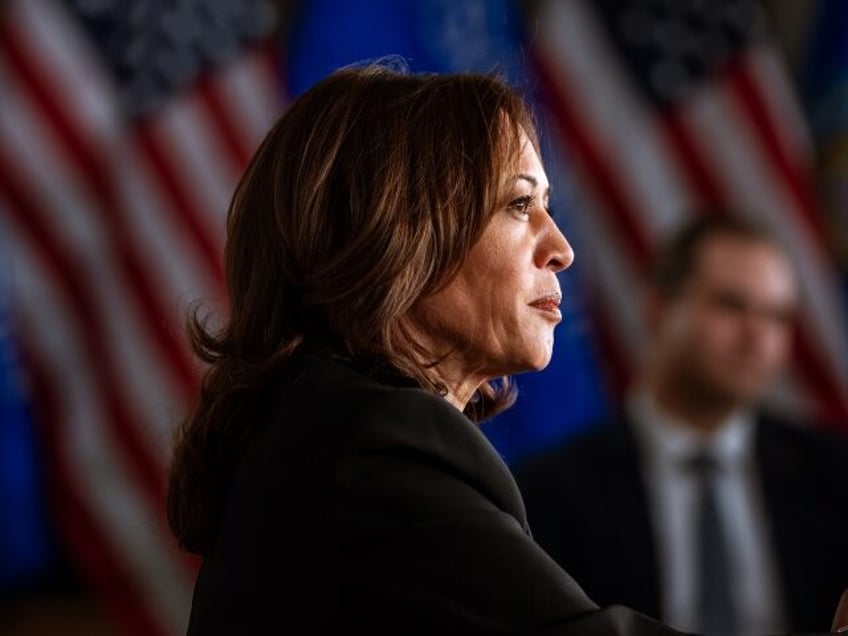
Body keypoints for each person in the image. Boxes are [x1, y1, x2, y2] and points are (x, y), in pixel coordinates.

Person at [165, 64, 847, 634]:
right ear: (401, 233)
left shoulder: (310, 420)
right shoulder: (377, 438)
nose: (562, 247)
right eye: (521, 206)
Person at [514, 214, 848, 636]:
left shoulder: (836, 477)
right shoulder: (549, 491)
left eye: (777, 316)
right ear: (659, 308)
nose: (758, 337)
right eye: (731, 306)